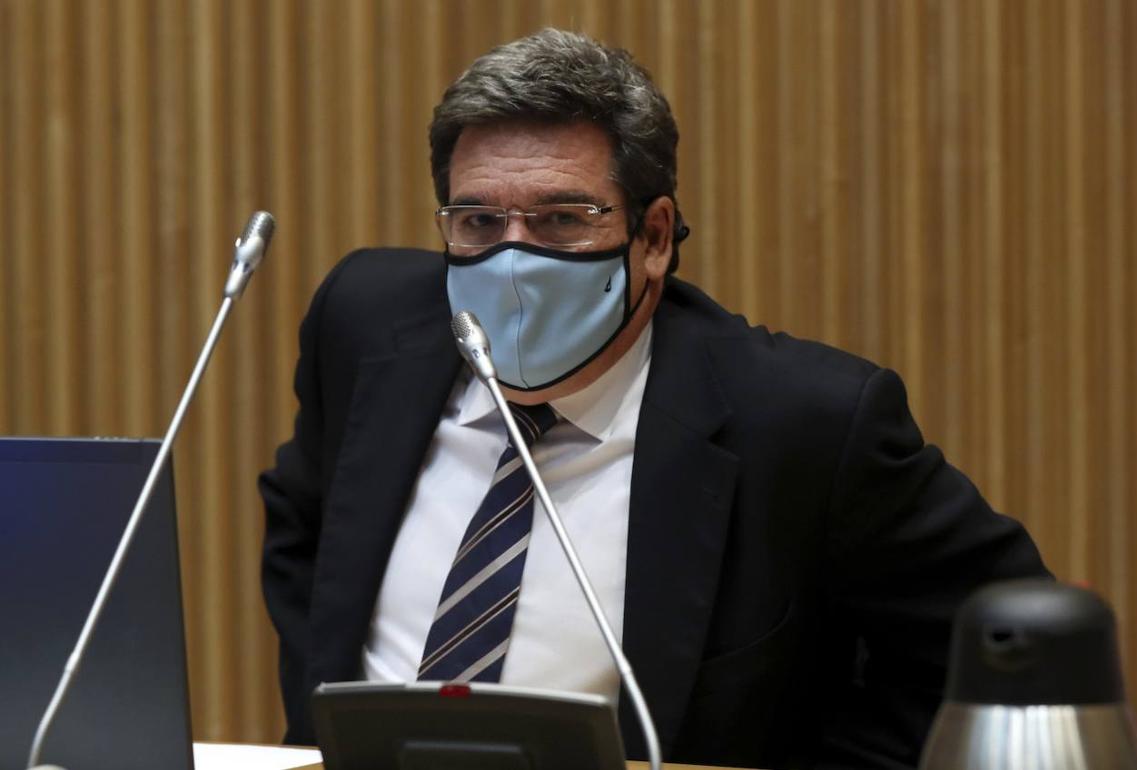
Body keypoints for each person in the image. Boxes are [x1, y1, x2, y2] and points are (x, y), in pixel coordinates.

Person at [260, 28, 1048, 769]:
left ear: (656, 236)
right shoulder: (365, 323)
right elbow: (307, 527)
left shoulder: (804, 421)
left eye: (562, 219)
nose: (511, 260)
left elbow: (1014, 649)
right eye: (478, 221)